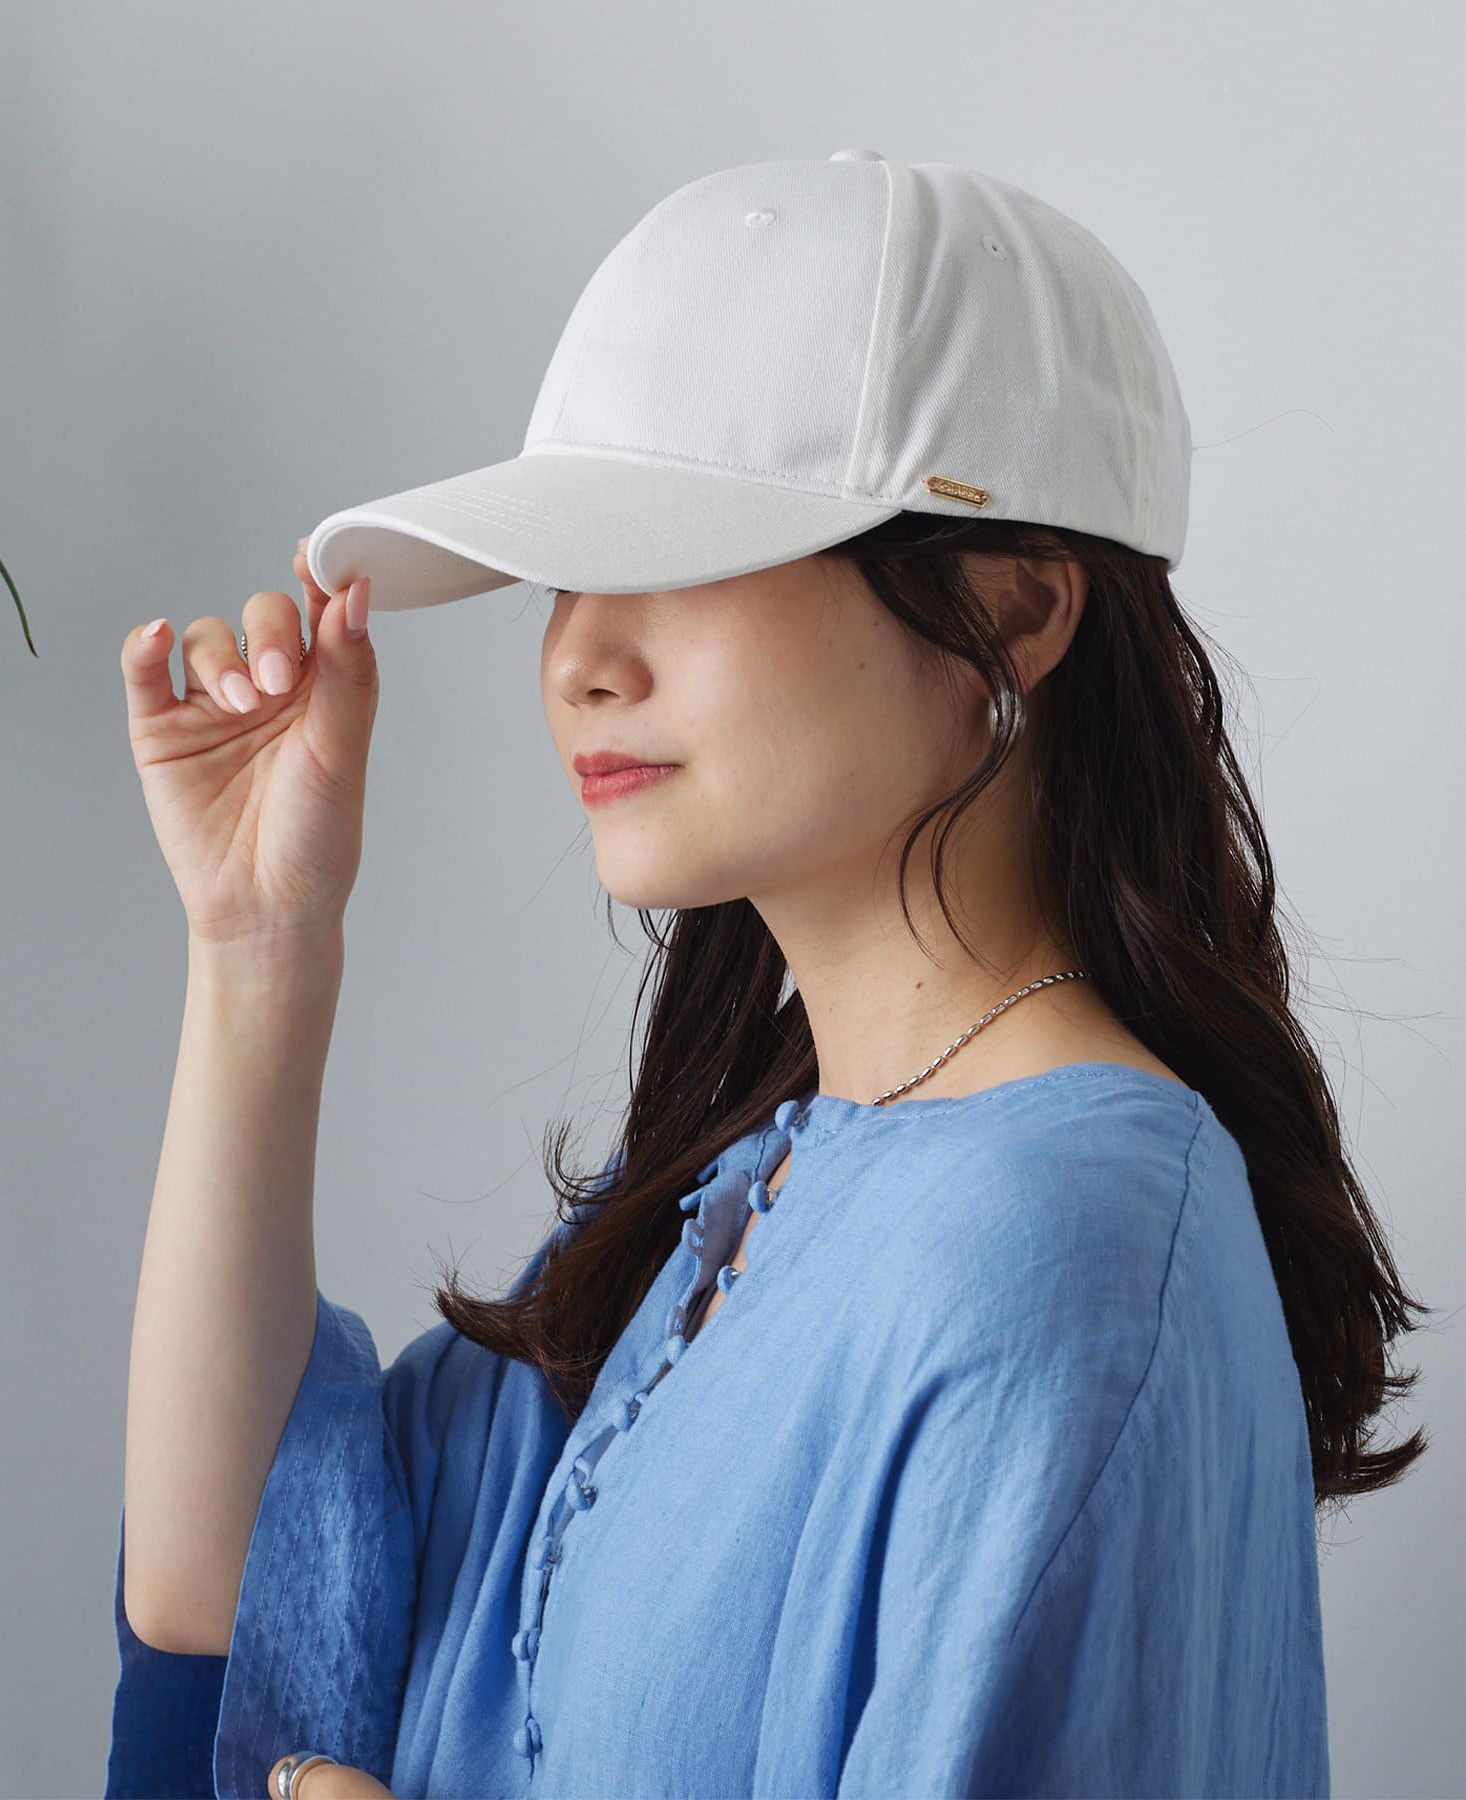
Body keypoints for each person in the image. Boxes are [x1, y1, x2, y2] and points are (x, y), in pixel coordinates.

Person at [106, 152, 1430, 1799]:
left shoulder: (1052, 1245)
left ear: (1018, 608)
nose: (579, 658)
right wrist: (258, 945)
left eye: (679, 550)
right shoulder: (739, 1196)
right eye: (565, 573)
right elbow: (237, 1618)